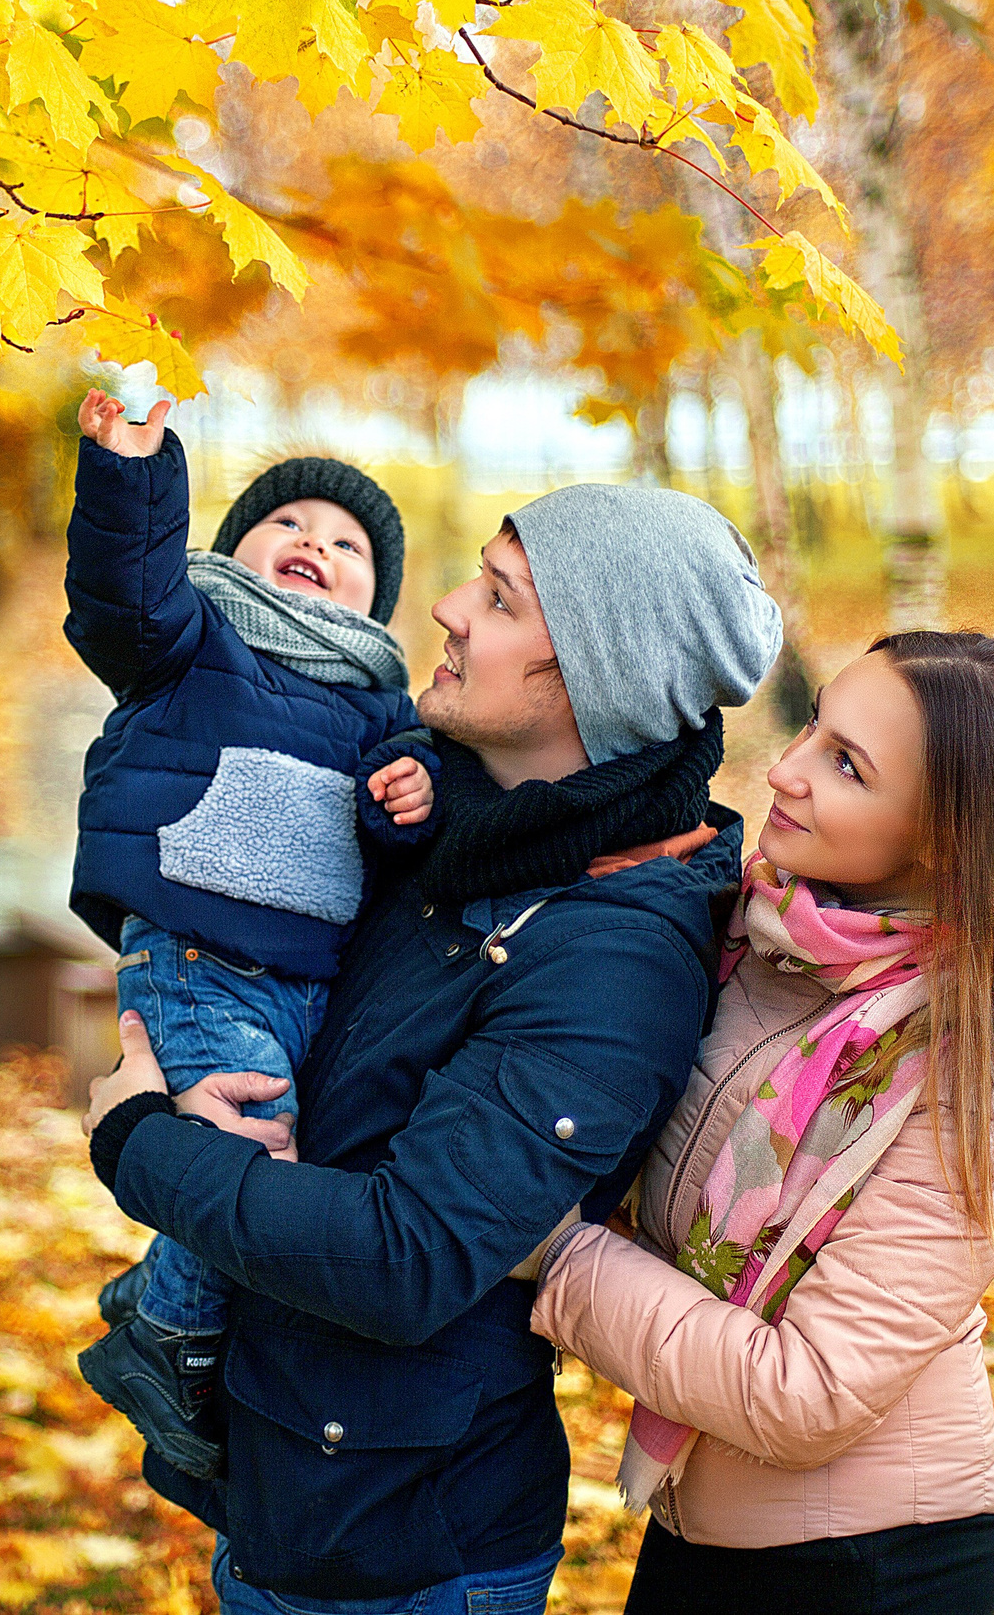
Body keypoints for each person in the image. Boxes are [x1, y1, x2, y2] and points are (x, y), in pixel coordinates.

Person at [83, 482, 784, 1615]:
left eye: (500, 599)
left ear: (596, 682)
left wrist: (140, 1140)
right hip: (290, 1495)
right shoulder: (448, 820)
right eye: (475, 573)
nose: (449, 607)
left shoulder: (616, 961)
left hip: (411, 1558)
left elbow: (406, 1259)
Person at [528, 632, 994, 1615]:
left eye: (844, 763)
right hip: (714, 1524)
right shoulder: (761, 937)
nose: (784, 768)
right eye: (813, 724)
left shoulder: (963, 1065)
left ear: (946, 837)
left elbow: (805, 1390)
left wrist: (555, 1257)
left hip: (864, 1565)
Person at [62, 389, 441, 1480]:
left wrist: (404, 795)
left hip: (310, 984)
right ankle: (164, 1342)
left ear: (379, 593)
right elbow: (122, 592)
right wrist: (134, 469)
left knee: (277, 1159)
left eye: (347, 541)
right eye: (288, 523)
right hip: (196, 953)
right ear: (236, 546)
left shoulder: (381, 696)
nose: (314, 542)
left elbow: (381, 826)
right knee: (245, 1148)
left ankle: (157, 1290)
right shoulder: (193, 632)